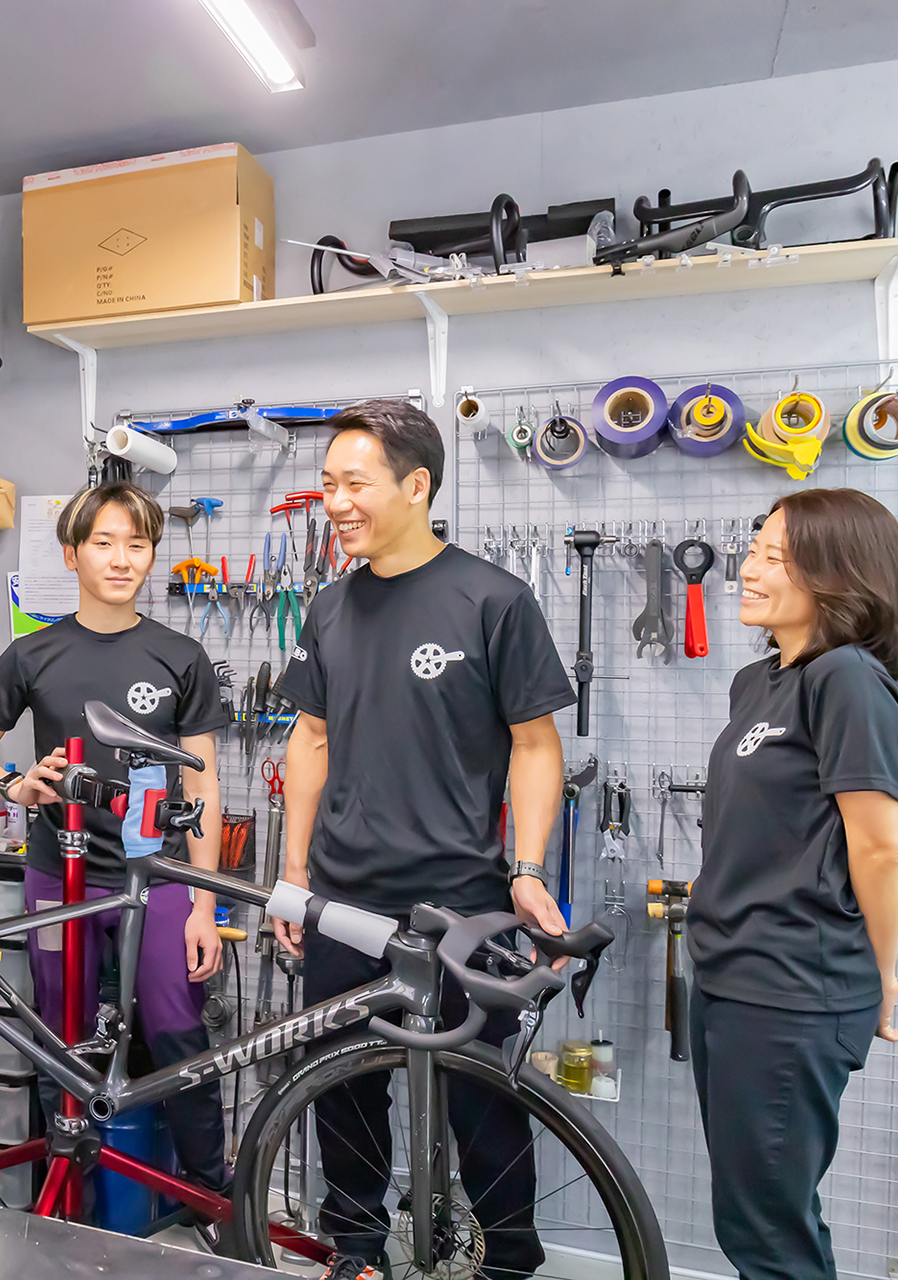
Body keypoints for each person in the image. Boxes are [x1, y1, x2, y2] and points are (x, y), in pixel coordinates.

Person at [273, 398, 573, 1275]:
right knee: (343, 1091)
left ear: (417, 485)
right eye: (327, 484)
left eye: (354, 483)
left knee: (482, 1098)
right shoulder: (329, 607)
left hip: (461, 907)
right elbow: (311, 738)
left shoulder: (493, 599)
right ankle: (357, 1253)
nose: (336, 502)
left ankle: (509, 1258)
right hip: (340, 901)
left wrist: (526, 868)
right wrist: (294, 874)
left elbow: (535, 743)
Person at [0, 482, 231, 1193]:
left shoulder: (181, 656)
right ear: (73, 553)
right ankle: (64, 1198)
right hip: (60, 879)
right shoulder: (32, 655)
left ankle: (211, 1196)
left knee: (178, 1038)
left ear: (152, 556)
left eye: (136, 545)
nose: (121, 559)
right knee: (61, 1038)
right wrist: (15, 787)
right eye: (104, 543)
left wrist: (203, 904)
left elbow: (200, 786)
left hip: (160, 879)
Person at [687, 489, 898, 1280]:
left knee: (769, 1235)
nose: (746, 570)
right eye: (752, 549)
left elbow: (879, 848)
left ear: (838, 574)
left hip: (793, 987)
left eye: (774, 557)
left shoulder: (849, 680)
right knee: (750, 1218)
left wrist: (884, 977)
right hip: (729, 975)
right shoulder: (758, 683)